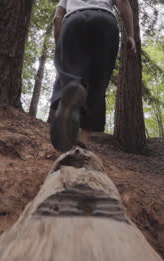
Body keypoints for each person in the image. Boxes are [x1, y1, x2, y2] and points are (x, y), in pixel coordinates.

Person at [50, 0, 136, 152]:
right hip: (104, 22)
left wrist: (61, 46)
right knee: (97, 85)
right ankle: (81, 141)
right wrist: (130, 35)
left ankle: (72, 87)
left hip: (73, 22)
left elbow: (57, 18)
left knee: (69, 76)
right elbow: (123, 2)